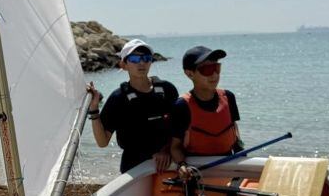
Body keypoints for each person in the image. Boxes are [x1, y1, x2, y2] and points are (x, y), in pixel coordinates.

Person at [86, 39, 178, 173]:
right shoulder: (118, 98)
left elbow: (181, 129)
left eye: (146, 58)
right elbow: (102, 142)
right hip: (133, 166)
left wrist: (166, 150)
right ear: (123, 65)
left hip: (167, 163)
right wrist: (94, 109)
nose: (141, 63)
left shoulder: (167, 90)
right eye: (135, 59)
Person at [169, 46, 243, 180]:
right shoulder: (181, 106)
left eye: (216, 68)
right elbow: (175, 147)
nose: (214, 75)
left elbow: (235, 135)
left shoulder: (228, 97)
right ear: (189, 74)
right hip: (197, 172)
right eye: (207, 70)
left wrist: (242, 161)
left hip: (227, 167)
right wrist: (181, 165)